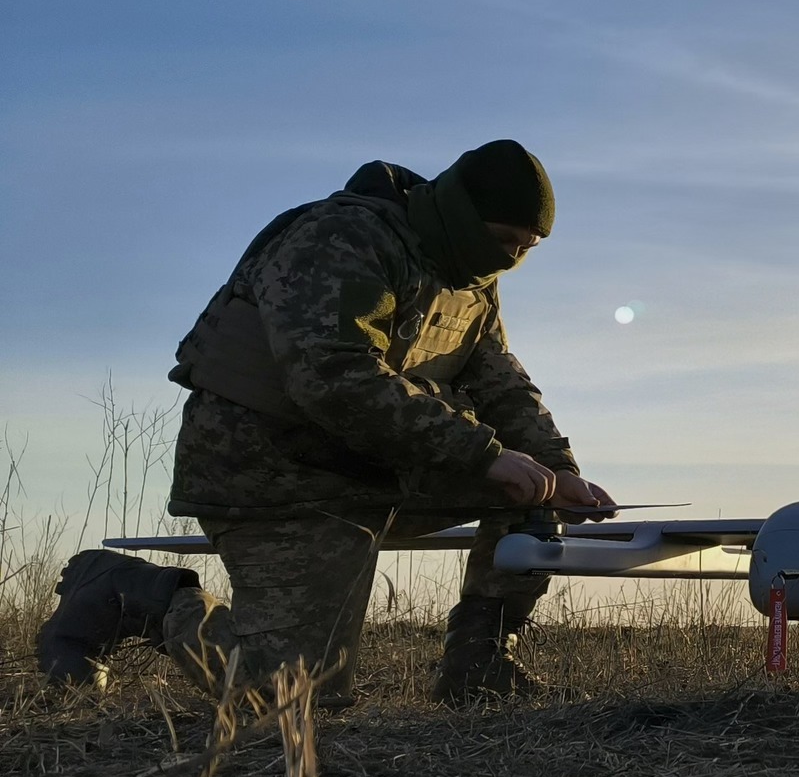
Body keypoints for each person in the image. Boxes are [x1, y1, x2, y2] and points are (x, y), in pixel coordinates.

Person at [36, 140, 611, 706]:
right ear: (465, 215)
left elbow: (500, 382)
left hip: (377, 465)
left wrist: (560, 473)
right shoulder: (338, 240)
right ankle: (127, 593)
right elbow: (332, 377)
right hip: (273, 470)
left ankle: (479, 667)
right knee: (286, 696)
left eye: (526, 247)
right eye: (503, 240)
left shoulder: (468, 276)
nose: (510, 258)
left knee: (533, 493)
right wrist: (484, 456)